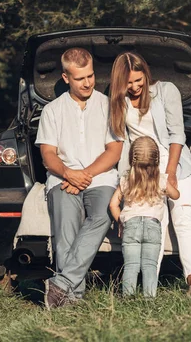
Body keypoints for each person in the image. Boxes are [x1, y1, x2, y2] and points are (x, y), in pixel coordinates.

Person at [109, 51, 191, 298]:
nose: (134, 87)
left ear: (146, 73)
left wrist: (171, 172)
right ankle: (146, 291)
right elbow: (121, 142)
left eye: (138, 81)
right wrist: (125, 180)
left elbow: (177, 135)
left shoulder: (166, 91)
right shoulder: (118, 101)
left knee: (185, 220)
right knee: (153, 223)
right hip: (141, 170)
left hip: (174, 164)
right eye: (128, 83)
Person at [36, 47, 123, 309]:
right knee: (66, 231)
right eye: (79, 78)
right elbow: (47, 155)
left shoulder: (109, 106)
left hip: (101, 179)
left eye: (91, 76)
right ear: (66, 78)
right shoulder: (52, 110)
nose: (87, 83)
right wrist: (69, 174)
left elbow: (115, 150)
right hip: (62, 180)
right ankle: (71, 300)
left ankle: (60, 284)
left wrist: (84, 176)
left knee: (103, 215)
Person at [109, 136, 180, 297]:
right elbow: (176, 195)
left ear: (131, 158)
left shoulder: (126, 180)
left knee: (131, 265)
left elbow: (113, 204)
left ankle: (128, 299)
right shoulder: (160, 180)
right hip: (152, 226)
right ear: (157, 159)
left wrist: (120, 221)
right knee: (150, 265)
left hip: (131, 226)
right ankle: (149, 300)